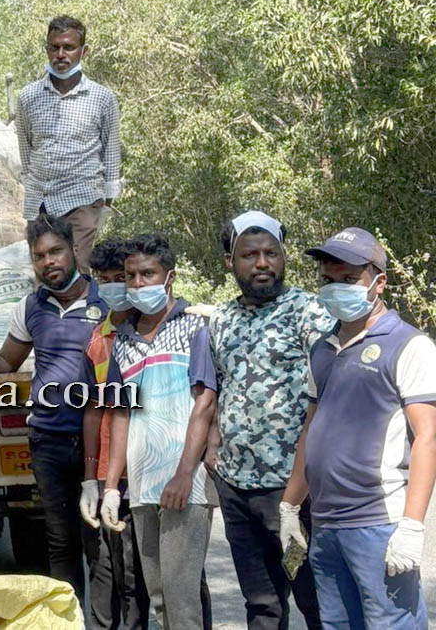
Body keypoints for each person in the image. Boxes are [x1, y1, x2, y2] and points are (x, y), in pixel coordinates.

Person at [0, 214, 108, 619]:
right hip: (49, 442)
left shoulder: (105, 302)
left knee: (103, 546)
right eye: (39, 256)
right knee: (60, 542)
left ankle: (107, 623)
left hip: (102, 440)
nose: (48, 262)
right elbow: (8, 358)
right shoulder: (30, 307)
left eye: (55, 251)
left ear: (74, 250)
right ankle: (69, 624)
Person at [280, 227, 436, 628]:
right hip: (327, 524)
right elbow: (310, 430)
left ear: (378, 282)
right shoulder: (322, 349)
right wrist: (290, 505)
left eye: (349, 281)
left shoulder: (409, 345)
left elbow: (428, 438)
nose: (336, 289)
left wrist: (412, 527)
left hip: (378, 523)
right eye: (328, 281)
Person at [205, 211, 328, 630]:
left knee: (317, 601)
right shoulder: (219, 321)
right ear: (229, 261)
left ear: (283, 256)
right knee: (262, 604)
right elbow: (219, 390)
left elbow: (329, 395)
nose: (262, 263)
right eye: (249, 254)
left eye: (271, 253)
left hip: (294, 490)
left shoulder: (310, 313)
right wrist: (213, 446)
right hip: (237, 489)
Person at [100, 234, 216, 630]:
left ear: (170, 277)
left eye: (147, 274)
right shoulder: (122, 342)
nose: (137, 284)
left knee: (183, 601)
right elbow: (120, 415)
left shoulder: (195, 328)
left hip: (186, 485)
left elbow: (205, 402)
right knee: (161, 600)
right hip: (144, 488)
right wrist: (112, 488)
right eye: (130, 276)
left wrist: (185, 474)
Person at [79, 238, 150, 629]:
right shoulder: (96, 340)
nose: (111, 286)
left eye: (119, 278)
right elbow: (91, 409)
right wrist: (90, 478)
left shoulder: (153, 332)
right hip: (109, 473)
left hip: (150, 471)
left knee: (141, 575)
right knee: (105, 570)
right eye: (102, 279)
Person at [15, 15, 122, 273]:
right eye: (54, 47)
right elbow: (26, 151)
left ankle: (80, 313)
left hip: (82, 199)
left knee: (77, 270)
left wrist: (104, 204)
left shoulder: (102, 99)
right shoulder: (28, 97)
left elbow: (111, 153)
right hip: (40, 202)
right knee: (46, 272)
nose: (61, 54)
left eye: (69, 47)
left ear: (83, 52)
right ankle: (45, 315)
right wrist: (34, 186)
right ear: (47, 50)